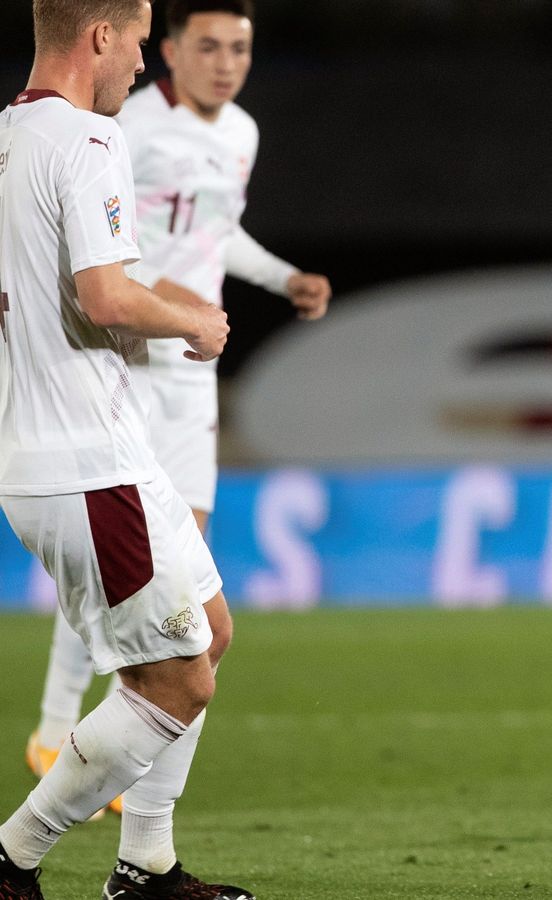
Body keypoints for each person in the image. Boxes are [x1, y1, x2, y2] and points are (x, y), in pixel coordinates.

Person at [22, 0, 331, 824]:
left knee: (184, 594)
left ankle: (145, 835)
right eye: (210, 46)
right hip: (124, 362)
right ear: (161, 48)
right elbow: (104, 270)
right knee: (136, 579)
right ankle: (59, 734)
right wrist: (179, 305)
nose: (227, 63)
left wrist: (279, 279)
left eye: (242, 48)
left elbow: (216, 231)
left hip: (178, 372)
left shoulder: (239, 135)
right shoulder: (119, 128)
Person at [0, 1, 251, 897]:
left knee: (210, 635)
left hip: (87, 448)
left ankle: (146, 863)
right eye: (141, 39)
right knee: (179, 681)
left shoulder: (9, 137)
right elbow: (106, 297)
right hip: (86, 463)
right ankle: (13, 855)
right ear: (100, 34)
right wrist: (192, 317)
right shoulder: (90, 140)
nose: (145, 60)